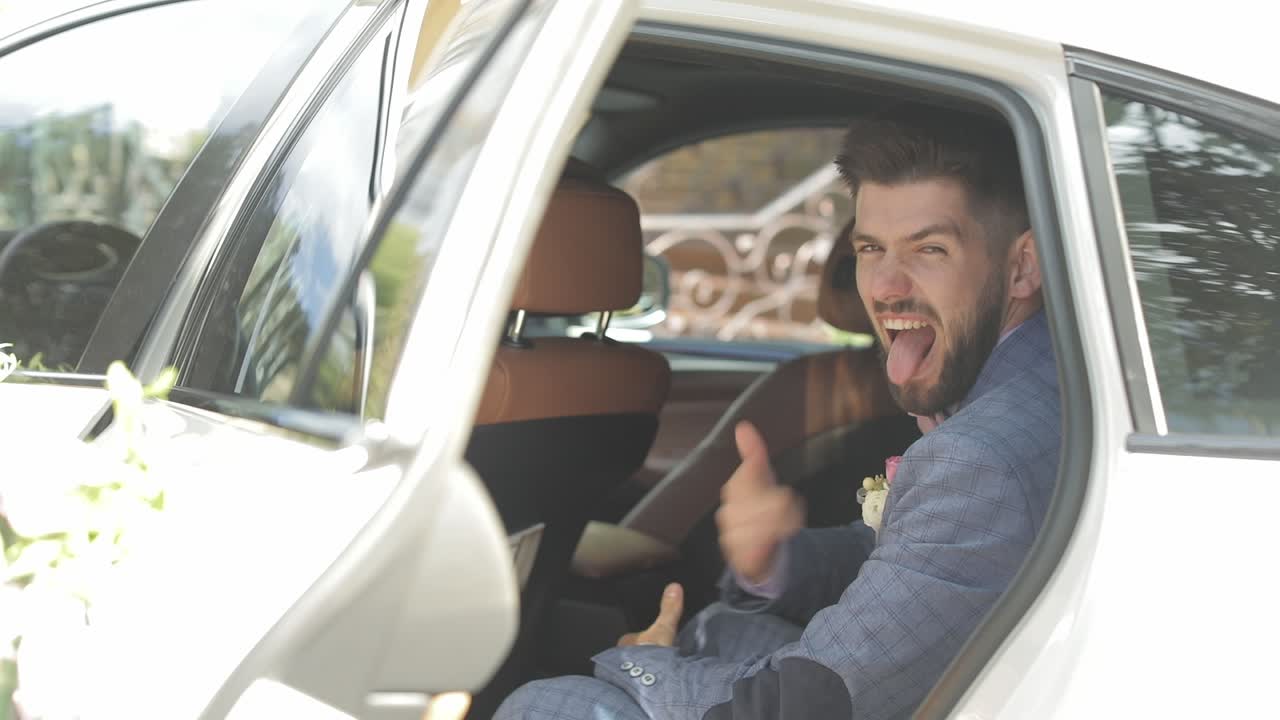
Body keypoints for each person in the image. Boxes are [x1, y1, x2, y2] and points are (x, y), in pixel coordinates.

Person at [495, 108, 1061, 720]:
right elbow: (915, 564)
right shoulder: (1034, 387)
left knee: (547, 704)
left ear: (1022, 266)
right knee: (720, 628)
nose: (887, 285)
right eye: (871, 249)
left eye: (930, 249)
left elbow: (805, 704)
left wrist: (644, 664)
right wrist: (778, 561)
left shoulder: (980, 457)